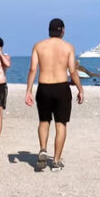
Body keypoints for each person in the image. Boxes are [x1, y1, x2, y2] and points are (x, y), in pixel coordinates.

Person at [25, 18, 83, 171]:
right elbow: (72, 71)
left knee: (44, 121)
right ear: (62, 30)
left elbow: (32, 70)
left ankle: (43, 149)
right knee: (61, 124)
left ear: (49, 30)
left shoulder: (38, 46)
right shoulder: (68, 47)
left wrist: (28, 91)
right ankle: (56, 160)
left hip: (44, 87)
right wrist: (80, 89)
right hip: (61, 88)